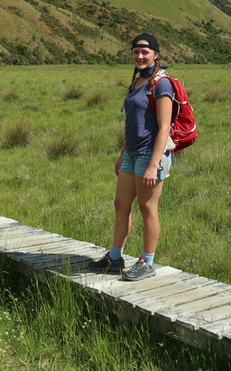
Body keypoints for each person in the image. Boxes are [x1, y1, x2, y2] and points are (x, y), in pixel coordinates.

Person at [88, 33, 174, 281]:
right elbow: (133, 123)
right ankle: (115, 258)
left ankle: (147, 262)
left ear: (156, 55)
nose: (140, 56)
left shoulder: (162, 83)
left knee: (148, 208)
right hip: (132, 153)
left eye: (145, 52)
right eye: (136, 52)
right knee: (121, 205)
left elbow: (164, 127)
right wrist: (122, 153)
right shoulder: (136, 82)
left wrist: (153, 164)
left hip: (151, 154)